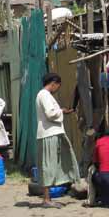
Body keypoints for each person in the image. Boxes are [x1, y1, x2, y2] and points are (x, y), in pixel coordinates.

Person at [35, 73, 79, 208]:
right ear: (53, 83)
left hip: (51, 133)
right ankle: (47, 199)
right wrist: (62, 111)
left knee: (53, 163)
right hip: (50, 134)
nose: (57, 89)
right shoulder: (44, 95)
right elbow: (50, 113)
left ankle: (49, 196)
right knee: (48, 165)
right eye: (57, 86)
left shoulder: (44, 95)